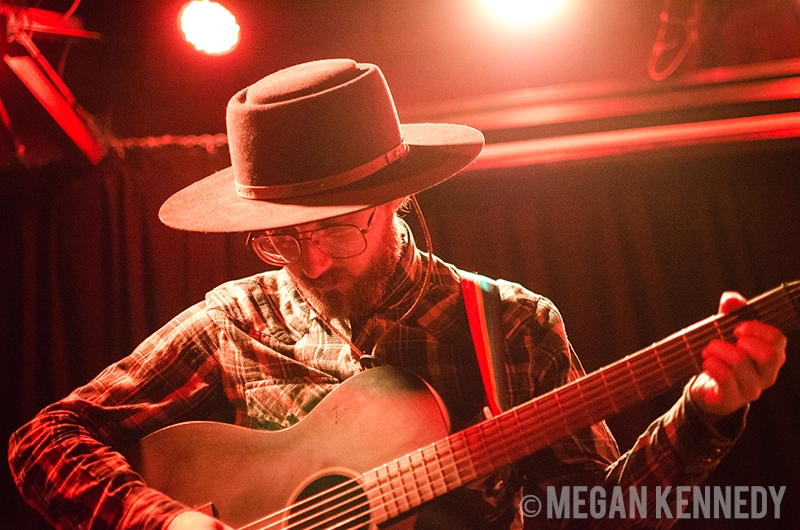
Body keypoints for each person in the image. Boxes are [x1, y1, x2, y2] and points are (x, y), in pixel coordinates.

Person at [8, 59, 787, 530]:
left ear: (396, 199)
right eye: (283, 239)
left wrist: (705, 415)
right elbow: (41, 440)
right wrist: (163, 519)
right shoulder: (234, 319)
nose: (314, 261)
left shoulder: (510, 326)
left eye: (339, 229)